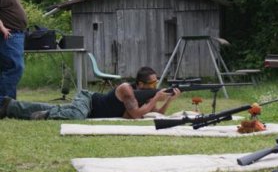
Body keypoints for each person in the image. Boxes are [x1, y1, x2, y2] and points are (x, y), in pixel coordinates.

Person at [0, 66, 180, 120]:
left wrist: (168, 100)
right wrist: (156, 96)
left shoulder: (146, 96)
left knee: (61, 109)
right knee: (75, 115)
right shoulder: (127, 89)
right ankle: (45, 115)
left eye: (157, 82)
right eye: (153, 83)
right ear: (140, 83)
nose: (156, 85)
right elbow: (135, 115)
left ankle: (10, 106)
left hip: (91, 112)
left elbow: (156, 114)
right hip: (89, 100)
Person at [0, 0, 27, 108]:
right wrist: (2, 26)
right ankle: (5, 105)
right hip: (9, 34)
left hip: (15, 34)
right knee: (15, 67)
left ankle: (8, 104)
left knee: (8, 69)